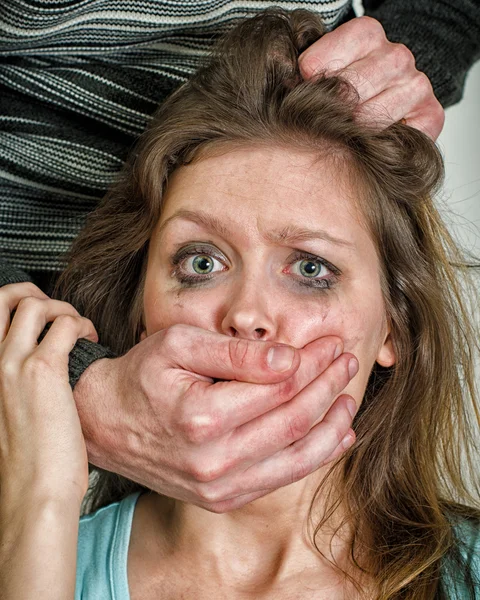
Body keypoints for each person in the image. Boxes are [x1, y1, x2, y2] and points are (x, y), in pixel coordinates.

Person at [1, 8, 479, 599]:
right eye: (201, 263)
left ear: (394, 325)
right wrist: (45, 488)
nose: (246, 314)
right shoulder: (37, 555)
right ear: (141, 304)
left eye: (310, 268)